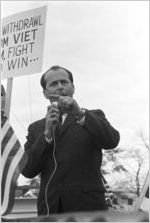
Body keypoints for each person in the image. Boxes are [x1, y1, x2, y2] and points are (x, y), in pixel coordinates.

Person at [21, 65, 120, 216]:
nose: (60, 87)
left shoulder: (94, 116)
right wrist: (46, 135)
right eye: (53, 84)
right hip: (50, 209)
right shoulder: (36, 128)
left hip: (88, 209)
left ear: (73, 87)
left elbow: (112, 141)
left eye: (64, 82)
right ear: (45, 93)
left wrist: (80, 114)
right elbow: (27, 170)